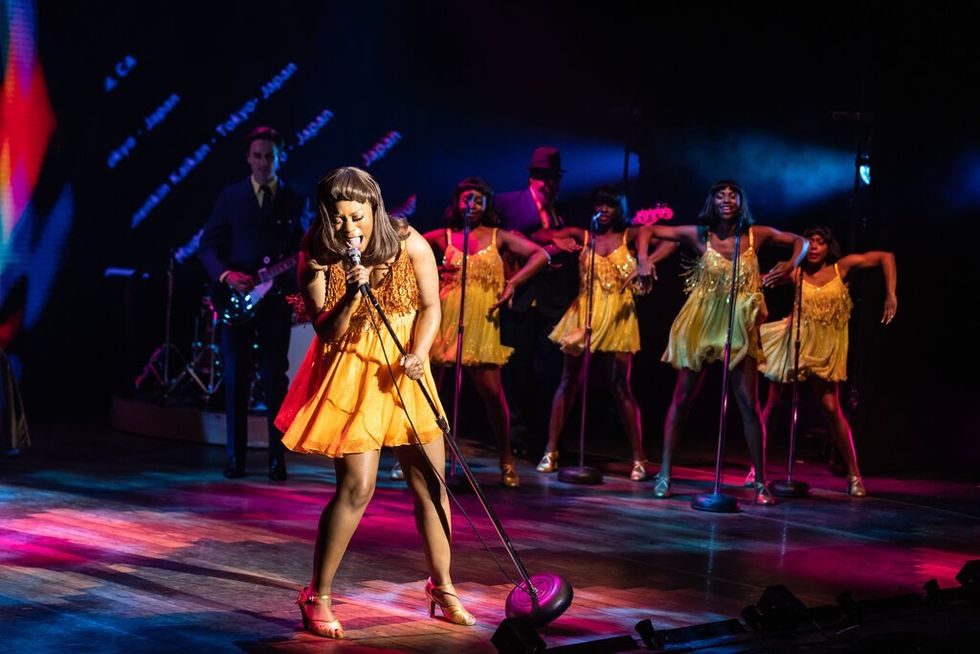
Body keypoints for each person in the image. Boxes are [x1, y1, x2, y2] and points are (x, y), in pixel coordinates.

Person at [274, 167, 475, 638]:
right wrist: (351, 293)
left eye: (357, 217)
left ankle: (442, 586)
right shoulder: (316, 256)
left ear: (375, 210)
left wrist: (420, 353)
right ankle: (316, 595)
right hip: (353, 371)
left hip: (403, 369)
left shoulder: (411, 241)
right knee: (358, 488)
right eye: (339, 219)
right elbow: (327, 330)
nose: (349, 229)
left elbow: (431, 306)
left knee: (431, 483)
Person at [641, 180, 808, 505]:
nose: (727, 200)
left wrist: (791, 263)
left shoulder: (754, 235)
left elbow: (800, 241)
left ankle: (760, 481)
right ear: (712, 202)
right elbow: (647, 229)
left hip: (738, 323)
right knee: (683, 396)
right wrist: (643, 259)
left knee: (748, 402)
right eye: (720, 195)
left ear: (740, 202)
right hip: (703, 320)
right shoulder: (698, 233)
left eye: (733, 195)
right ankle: (664, 472)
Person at [533, 186, 676, 480]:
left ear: (619, 208)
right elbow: (538, 235)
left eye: (610, 204)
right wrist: (559, 239)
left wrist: (647, 260)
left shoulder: (630, 236)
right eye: (600, 204)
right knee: (568, 382)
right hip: (584, 312)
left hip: (619, 314)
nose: (605, 209)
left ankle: (638, 457)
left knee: (620, 385)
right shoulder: (585, 235)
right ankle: (551, 450)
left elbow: (670, 239)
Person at [423, 177, 550, 488]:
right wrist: (432, 271)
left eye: (479, 199)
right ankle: (420, 458)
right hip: (446, 320)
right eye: (468, 198)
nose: (473, 204)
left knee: (493, 394)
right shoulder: (445, 236)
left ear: (487, 204)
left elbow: (541, 255)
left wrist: (512, 283)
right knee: (432, 394)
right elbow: (405, 249)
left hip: (483, 322)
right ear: (457, 202)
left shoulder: (499, 237)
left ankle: (506, 458)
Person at [752, 225, 897, 497]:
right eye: (810, 242)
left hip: (826, 347)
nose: (815, 247)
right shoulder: (795, 273)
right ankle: (756, 469)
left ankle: (854, 474)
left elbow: (885, 256)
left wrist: (891, 294)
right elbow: (760, 279)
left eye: (820, 242)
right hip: (793, 342)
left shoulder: (842, 268)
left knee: (831, 406)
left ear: (829, 247)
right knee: (774, 403)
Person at [199, 126, 307, 480]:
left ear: (281, 157)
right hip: (235, 300)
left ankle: (278, 458)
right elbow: (209, 246)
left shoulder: (295, 197)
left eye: (270, 156)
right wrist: (227, 276)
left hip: (274, 301)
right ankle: (236, 458)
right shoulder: (230, 196)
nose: (263, 162)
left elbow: (301, 249)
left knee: (276, 379)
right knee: (236, 378)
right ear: (248, 157)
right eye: (257, 155)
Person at [495, 147, 580, 458]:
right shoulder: (508, 202)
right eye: (544, 176)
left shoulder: (560, 210)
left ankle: (546, 434)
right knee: (515, 367)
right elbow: (504, 236)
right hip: (518, 294)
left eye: (553, 177)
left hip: (550, 299)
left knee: (548, 368)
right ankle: (515, 434)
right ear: (534, 176)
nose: (548, 183)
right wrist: (551, 241)